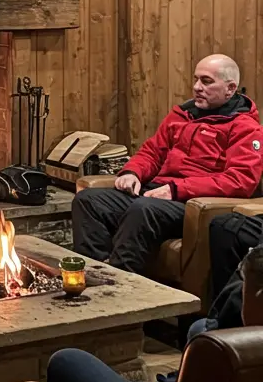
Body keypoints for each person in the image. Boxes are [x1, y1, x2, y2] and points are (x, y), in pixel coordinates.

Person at [45, 242, 263, 382]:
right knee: (199, 327)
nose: (238, 292)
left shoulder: (221, 358)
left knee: (66, 361)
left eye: (244, 283)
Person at [72, 54, 262, 276]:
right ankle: (93, 274)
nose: (197, 87)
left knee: (143, 208)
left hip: (189, 202)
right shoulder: (182, 114)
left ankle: (119, 283)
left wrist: (177, 190)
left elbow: (240, 181)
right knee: (89, 200)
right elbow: (152, 152)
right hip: (156, 192)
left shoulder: (245, 127)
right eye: (196, 79)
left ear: (230, 88)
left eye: (206, 81)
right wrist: (133, 172)